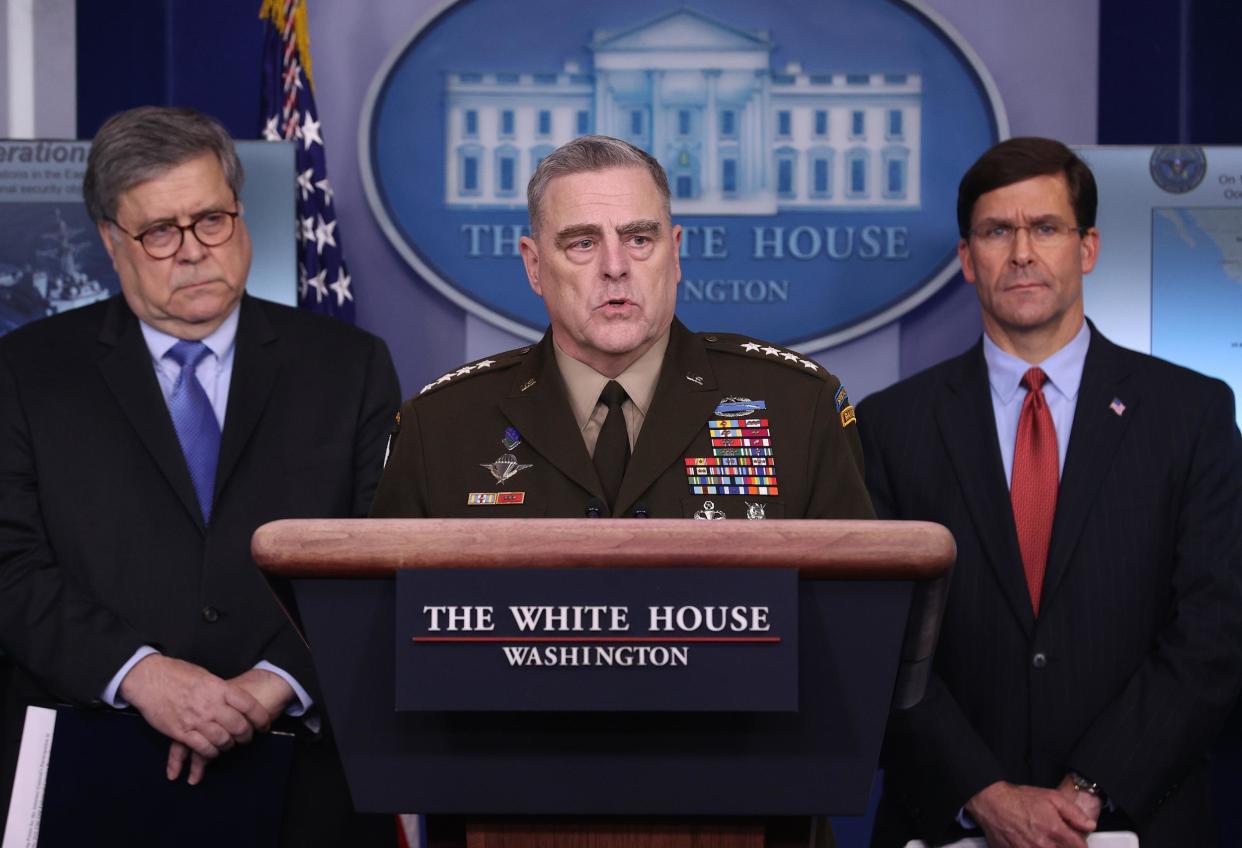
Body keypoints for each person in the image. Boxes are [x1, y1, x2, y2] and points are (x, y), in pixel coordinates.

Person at [0, 106, 399, 844]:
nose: (192, 251)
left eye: (211, 218)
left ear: (242, 217)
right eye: (159, 231)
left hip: (303, 777)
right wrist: (141, 674)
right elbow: (10, 564)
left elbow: (378, 558)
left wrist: (272, 683)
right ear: (110, 244)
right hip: (97, 759)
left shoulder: (350, 367)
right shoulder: (26, 372)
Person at [860, 137, 1242, 847]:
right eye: (997, 231)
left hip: (1138, 822)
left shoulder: (1190, 414)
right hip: (947, 824)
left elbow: (1216, 632)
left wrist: (1087, 791)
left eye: (1045, 228)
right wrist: (986, 794)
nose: (1022, 253)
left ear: (1087, 248)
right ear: (969, 259)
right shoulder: (889, 426)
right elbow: (877, 640)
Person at [371, 135, 872, 523]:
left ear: (674, 253)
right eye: (582, 243)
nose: (615, 266)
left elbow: (852, 624)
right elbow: (391, 636)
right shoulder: (439, 426)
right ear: (534, 266)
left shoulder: (799, 408)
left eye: (638, 238)